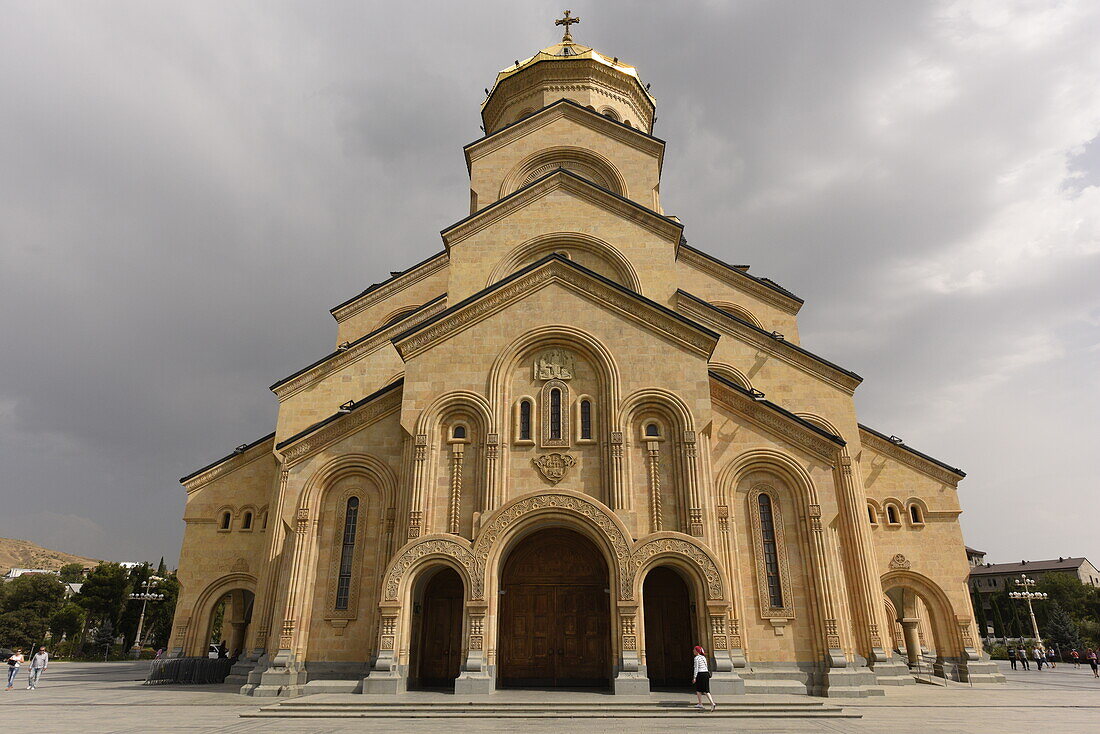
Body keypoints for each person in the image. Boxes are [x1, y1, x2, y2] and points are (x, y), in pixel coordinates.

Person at [691, 645, 716, 712]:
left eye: (694, 650)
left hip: (700, 674)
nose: (693, 651)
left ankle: (711, 703)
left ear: (697, 651)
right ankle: (700, 703)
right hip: (706, 673)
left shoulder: (696, 658)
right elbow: (706, 666)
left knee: (701, 689)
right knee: (703, 689)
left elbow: (696, 668)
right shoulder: (703, 657)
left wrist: (694, 677)